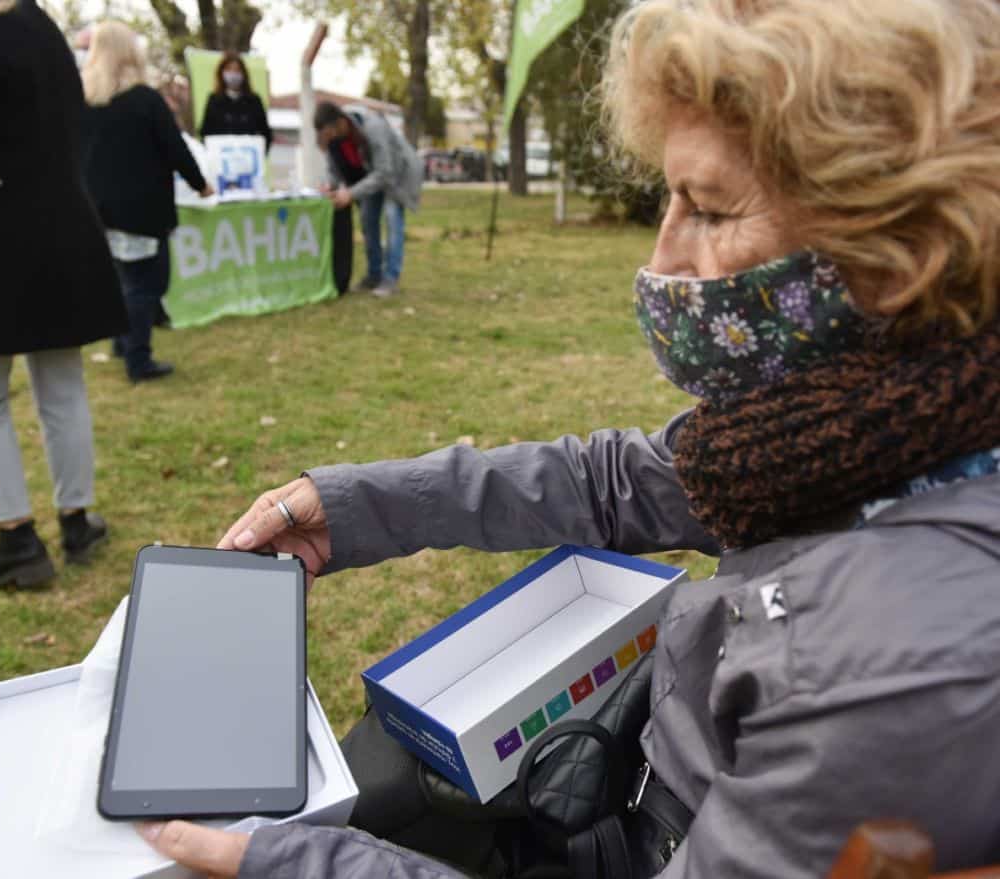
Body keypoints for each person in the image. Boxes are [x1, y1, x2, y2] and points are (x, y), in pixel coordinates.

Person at [140, 0, 1000, 876]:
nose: (662, 262)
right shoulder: (866, 421)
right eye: (668, 198)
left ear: (902, 247)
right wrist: (357, 504)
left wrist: (297, 865)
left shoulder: (897, 670)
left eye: (707, 208)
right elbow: (615, 481)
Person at [0, 0, 128, 589]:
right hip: (59, 229)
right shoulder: (39, 22)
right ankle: (78, 520)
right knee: (61, 386)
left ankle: (16, 540)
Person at [80, 21, 213, 384]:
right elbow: (175, 149)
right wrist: (200, 184)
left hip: (97, 210)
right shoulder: (145, 100)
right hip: (140, 211)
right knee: (146, 284)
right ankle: (138, 360)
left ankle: (122, 344)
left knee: (121, 280)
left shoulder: (86, 102)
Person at [313, 101, 422, 298]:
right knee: (367, 219)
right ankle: (373, 275)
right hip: (373, 176)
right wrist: (331, 186)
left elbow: (385, 172)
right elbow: (335, 170)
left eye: (330, 133)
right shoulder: (335, 138)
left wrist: (351, 194)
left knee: (392, 217)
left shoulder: (373, 128)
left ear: (340, 122)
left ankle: (390, 279)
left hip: (398, 174)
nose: (331, 139)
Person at [199, 52, 272, 151]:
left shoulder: (254, 101)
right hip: (221, 159)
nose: (233, 74)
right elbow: (205, 132)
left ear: (243, 74)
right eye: (229, 69)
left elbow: (265, 133)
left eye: (237, 70)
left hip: (248, 160)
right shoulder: (214, 100)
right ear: (221, 73)